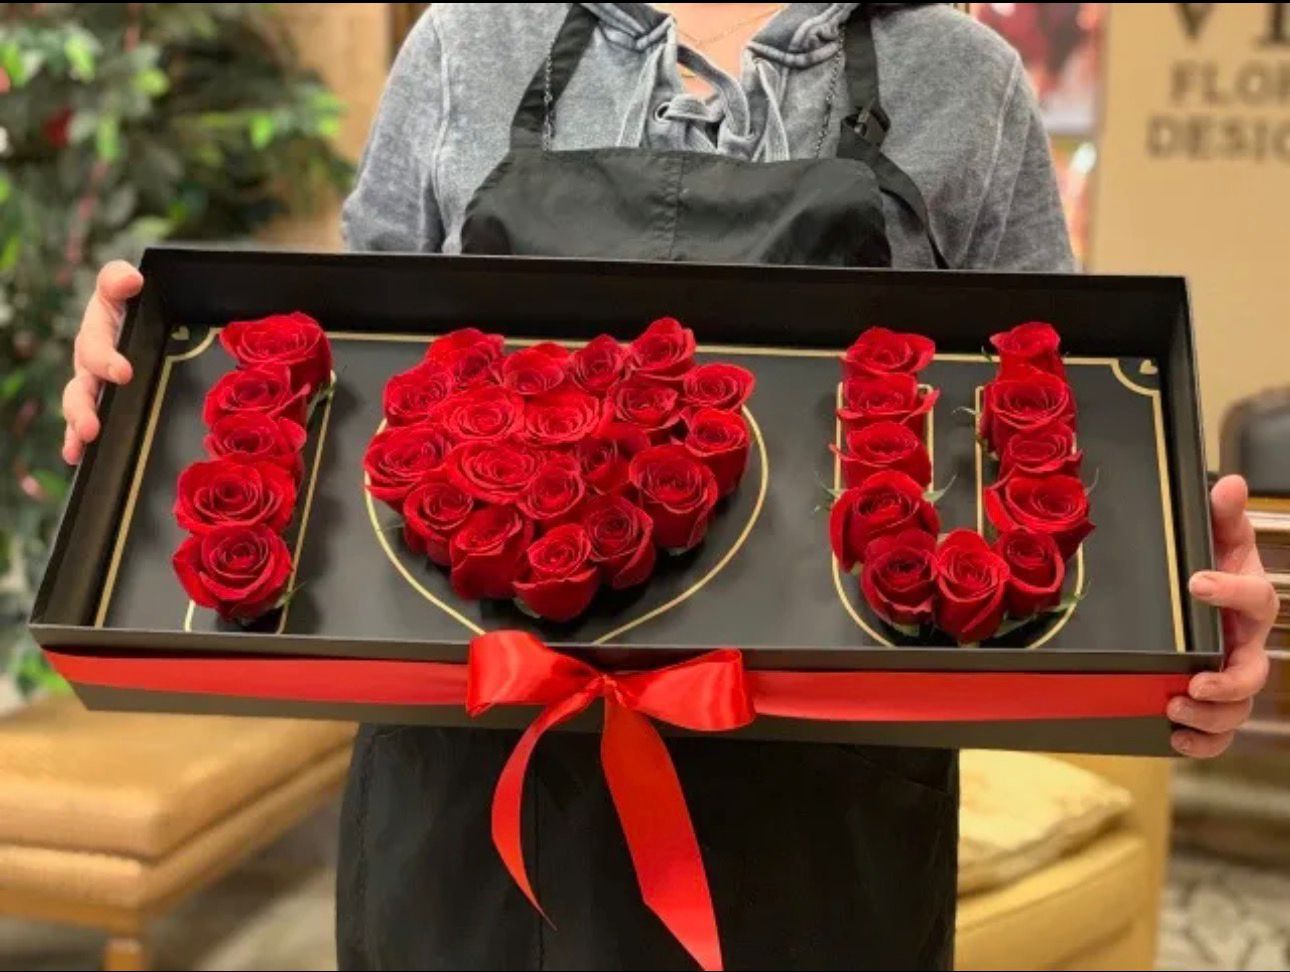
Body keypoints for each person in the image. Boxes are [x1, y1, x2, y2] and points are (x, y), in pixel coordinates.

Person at [62, 5, 1274, 970]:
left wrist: (1184, 641)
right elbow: (360, 380)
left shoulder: (964, 77)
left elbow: (1052, 420)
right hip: (469, 812)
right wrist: (155, 403)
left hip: (824, 840)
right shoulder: (468, 41)